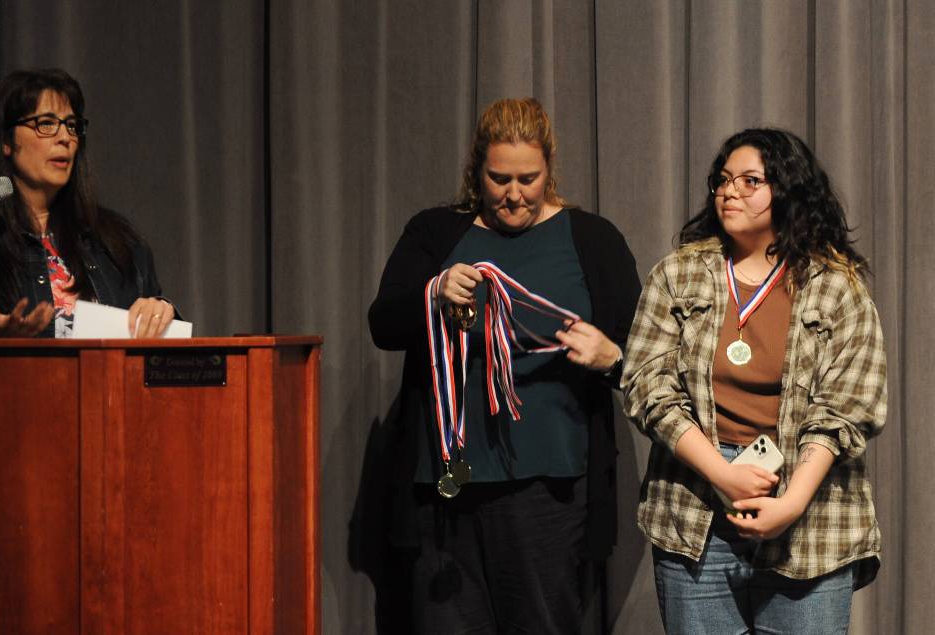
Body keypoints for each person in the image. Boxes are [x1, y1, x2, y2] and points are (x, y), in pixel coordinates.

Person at [368, 97, 641, 634]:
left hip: (549, 489)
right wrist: (434, 291)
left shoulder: (592, 239)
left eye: (528, 178)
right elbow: (383, 325)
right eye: (498, 179)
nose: (513, 194)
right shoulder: (434, 233)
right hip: (446, 485)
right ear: (477, 171)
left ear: (549, 170)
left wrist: (611, 358)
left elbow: (646, 355)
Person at [621, 128, 886, 634]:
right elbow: (647, 385)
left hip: (808, 516)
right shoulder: (678, 275)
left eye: (749, 181)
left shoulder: (836, 286)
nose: (729, 192)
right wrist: (722, 474)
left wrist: (788, 504)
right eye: (723, 180)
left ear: (787, 190)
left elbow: (848, 407)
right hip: (697, 508)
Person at [0, 68, 174, 338]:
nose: (65, 138)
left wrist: (162, 311)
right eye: (46, 124)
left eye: (72, 126)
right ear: (5, 140)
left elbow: (161, 360)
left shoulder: (116, 242)